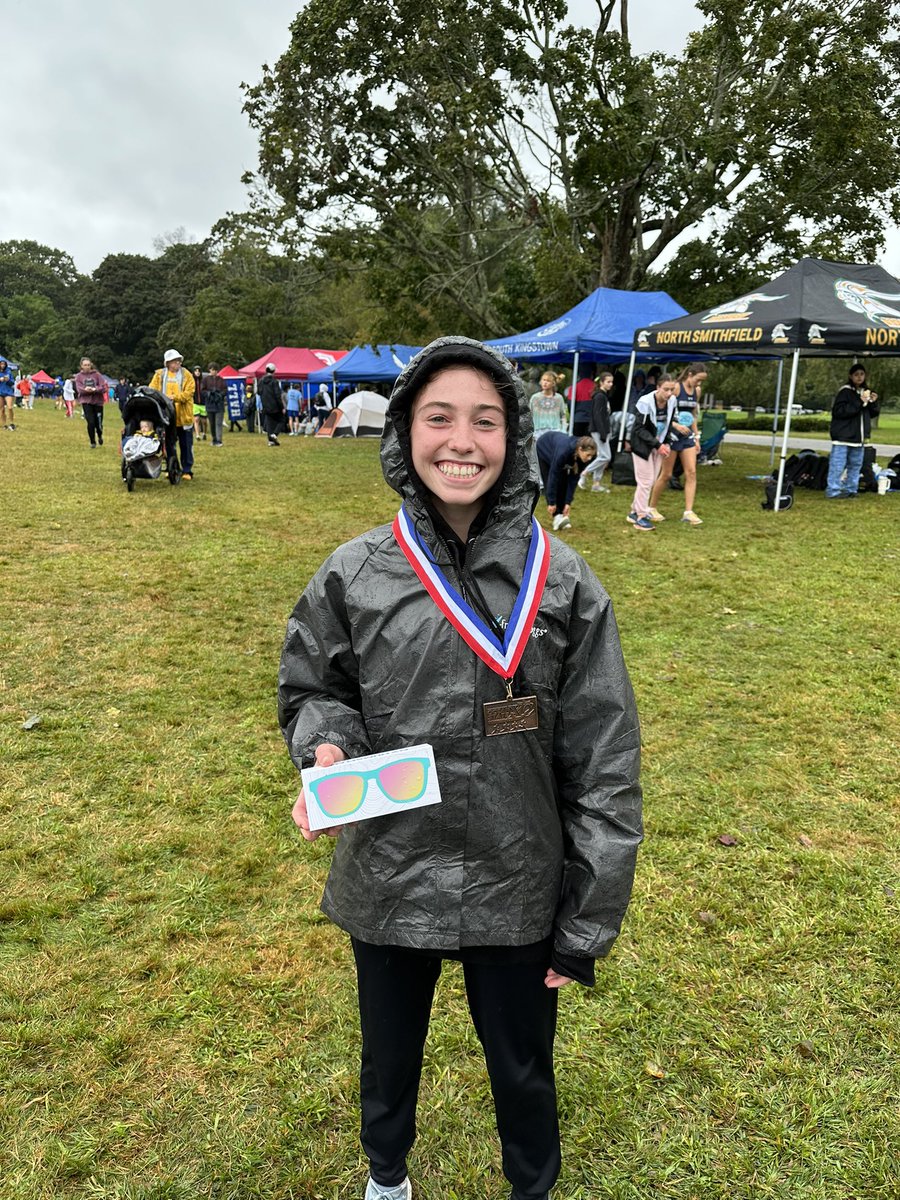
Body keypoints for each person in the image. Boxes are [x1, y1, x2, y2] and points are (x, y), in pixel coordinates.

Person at [278, 336, 642, 1200]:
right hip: (390, 865)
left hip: (519, 877)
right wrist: (328, 745)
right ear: (404, 431)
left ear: (514, 436)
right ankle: (386, 1177)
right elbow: (315, 688)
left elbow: (604, 758)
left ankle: (531, 1187)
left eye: (485, 421)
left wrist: (586, 918)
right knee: (387, 1052)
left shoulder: (563, 581)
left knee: (523, 1065)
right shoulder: (358, 571)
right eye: (439, 417)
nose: (461, 442)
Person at [646, 363, 707, 525]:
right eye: (698, 379)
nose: (699, 384)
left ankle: (688, 512)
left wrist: (696, 437)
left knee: (691, 473)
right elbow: (663, 413)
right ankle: (651, 508)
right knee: (666, 474)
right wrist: (676, 425)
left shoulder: (697, 391)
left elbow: (693, 415)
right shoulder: (676, 388)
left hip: (687, 437)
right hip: (671, 436)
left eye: (701, 381)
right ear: (690, 374)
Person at [627, 373, 678, 531]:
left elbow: (669, 423)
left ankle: (634, 511)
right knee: (646, 481)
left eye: (672, 390)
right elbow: (639, 428)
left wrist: (667, 443)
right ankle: (641, 517)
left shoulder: (672, 401)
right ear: (658, 387)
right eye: (666, 389)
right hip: (642, 445)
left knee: (651, 480)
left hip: (659, 445)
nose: (669, 393)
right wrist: (657, 444)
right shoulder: (645, 402)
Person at [826, 364, 880, 499]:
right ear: (850, 376)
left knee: (855, 465)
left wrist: (873, 402)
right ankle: (833, 490)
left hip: (859, 438)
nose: (859, 377)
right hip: (843, 436)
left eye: (862, 374)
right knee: (838, 465)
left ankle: (851, 489)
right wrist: (859, 402)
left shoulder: (865, 392)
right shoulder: (845, 392)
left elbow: (872, 414)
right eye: (856, 374)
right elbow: (839, 412)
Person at [535, 430, 597, 531]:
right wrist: (551, 502)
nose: (590, 458)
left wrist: (568, 502)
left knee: (564, 481)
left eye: (592, 456)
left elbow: (573, 481)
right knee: (553, 480)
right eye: (588, 455)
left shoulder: (582, 458)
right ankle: (556, 516)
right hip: (544, 447)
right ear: (580, 449)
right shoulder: (563, 453)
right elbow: (552, 477)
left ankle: (562, 513)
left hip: (559, 449)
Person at [149, 350, 196, 479]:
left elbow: (189, 392)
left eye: (179, 361)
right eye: (175, 361)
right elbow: (152, 390)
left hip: (183, 416)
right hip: (167, 416)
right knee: (169, 444)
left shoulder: (187, 375)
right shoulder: (160, 375)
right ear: (168, 363)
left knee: (186, 444)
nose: (178, 363)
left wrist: (174, 398)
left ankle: (187, 470)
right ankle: (173, 468)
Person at [578, 371, 614, 493]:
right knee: (606, 456)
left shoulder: (603, 396)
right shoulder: (599, 397)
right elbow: (597, 416)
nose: (611, 384)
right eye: (608, 382)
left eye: (611, 382)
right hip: (599, 430)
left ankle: (596, 483)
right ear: (602, 382)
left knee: (602, 456)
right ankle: (585, 473)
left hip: (603, 430)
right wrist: (603, 433)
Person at [74, 356, 107, 447]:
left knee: (98, 424)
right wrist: (86, 390)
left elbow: (103, 387)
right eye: (85, 365)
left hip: (98, 402)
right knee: (91, 422)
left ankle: (99, 435)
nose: (87, 367)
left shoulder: (97, 375)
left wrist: (95, 389)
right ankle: (92, 441)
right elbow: (79, 389)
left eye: (88, 365)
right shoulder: (79, 377)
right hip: (86, 402)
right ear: (81, 366)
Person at [528, 371, 568, 441]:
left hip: (555, 431)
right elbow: (529, 415)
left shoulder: (559, 398)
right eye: (544, 380)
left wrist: (563, 430)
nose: (545, 382)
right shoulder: (535, 398)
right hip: (538, 432)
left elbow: (563, 416)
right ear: (540, 381)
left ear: (553, 383)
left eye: (548, 381)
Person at [258, 363, 284, 446]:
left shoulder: (261, 381)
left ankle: (271, 441)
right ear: (274, 371)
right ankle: (274, 435)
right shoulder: (274, 381)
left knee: (269, 423)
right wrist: (282, 407)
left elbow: (258, 392)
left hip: (265, 405)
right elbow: (277, 395)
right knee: (282, 420)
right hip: (274, 405)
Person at [564, 367, 595, 436]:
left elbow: (570, 404)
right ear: (591, 374)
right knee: (589, 441)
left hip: (577, 418)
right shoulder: (595, 387)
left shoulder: (574, 387)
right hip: (591, 420)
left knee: (576, 440)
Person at [201, 365, 226, 447]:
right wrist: (209, 394)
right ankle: (214, 439)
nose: (213, 372)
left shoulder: (221, 380)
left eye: (215, 370)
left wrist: (220, 395)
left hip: (219, 404)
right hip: (210, 404)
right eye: (212, 370)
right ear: (209, 370)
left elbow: (225, 390)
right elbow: (202, 391)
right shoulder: (205, 380)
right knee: (212, 423)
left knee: (218, 423)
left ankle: (219, 440)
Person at [191, 366, 208, 441]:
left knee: (204, 421)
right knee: (196, 419)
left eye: (198, 371)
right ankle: (197, 435)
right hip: (195, 403)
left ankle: (204, 433)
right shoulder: (191, 381)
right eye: (196, 371)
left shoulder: (203, 381)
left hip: (203, 403)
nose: (197, 372)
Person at [0, 357, 15, 430]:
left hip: (8, 392)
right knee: (2, 409)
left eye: (4, 364)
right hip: (0, 392)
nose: (2, 365)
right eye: (1, 364)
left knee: (10, 407)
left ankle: (11, 423)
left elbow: (12, 382)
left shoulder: (8, 372)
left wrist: (8, 380)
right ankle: (4, 424)